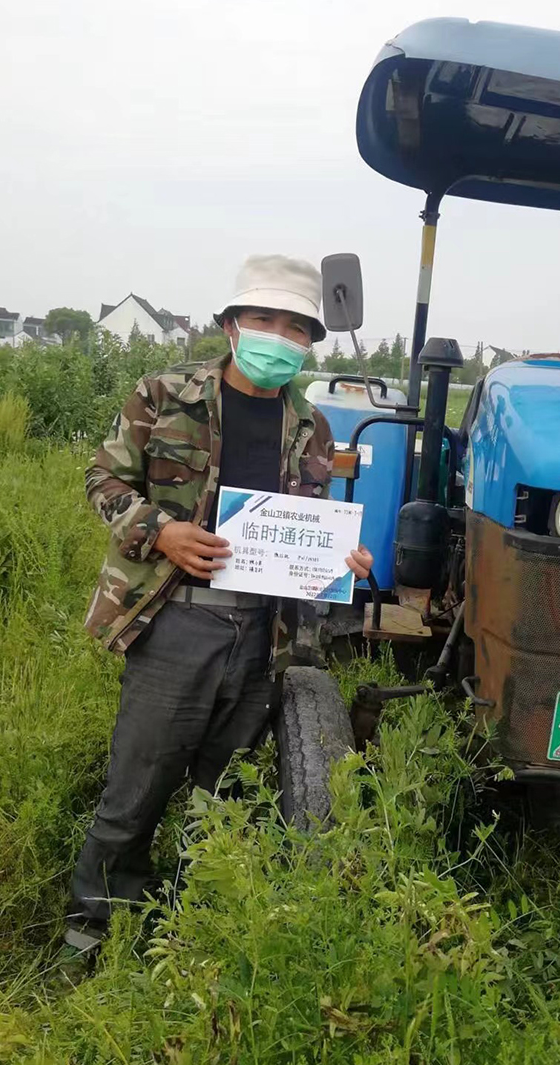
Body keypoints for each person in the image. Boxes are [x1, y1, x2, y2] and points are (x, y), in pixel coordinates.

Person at [63, 254, 372, 961]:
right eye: (263, 318)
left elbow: (312, 524)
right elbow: (104, 476)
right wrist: (160, 531)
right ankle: (91, 931)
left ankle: (185, 928)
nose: (278, 336)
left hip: (261, 633)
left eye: (295, 326)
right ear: (231, 325)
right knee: (136, 786)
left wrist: (343, 562)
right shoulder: (165, 394)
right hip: (177, 620)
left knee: (223, 791)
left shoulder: (312, 427)